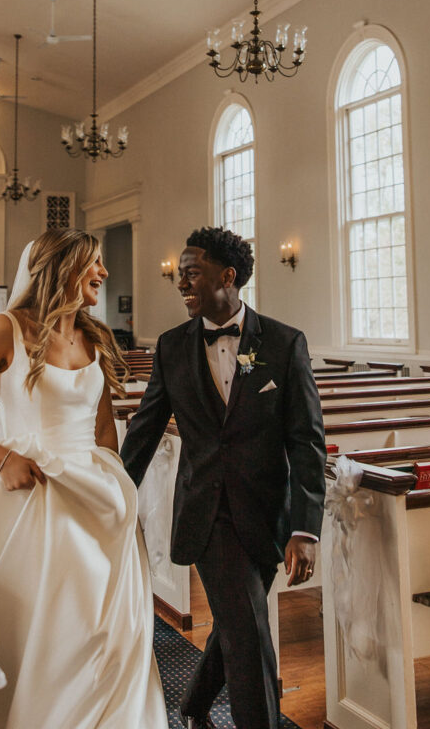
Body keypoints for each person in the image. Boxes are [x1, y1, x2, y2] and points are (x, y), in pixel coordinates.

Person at [0, 229, 168, 729]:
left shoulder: (94, 337)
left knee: (110, 629)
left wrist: (117, 497)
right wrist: (1, 458)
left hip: (96, 499)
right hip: (32, 494)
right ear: (62, 267)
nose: (103, 273)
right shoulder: (6, 330)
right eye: (94, 264)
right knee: (52, 625)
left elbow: (104, 430)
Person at [121, 227, 326, 729]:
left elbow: (305, 440)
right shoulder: (171, 348)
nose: (180, 283)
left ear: (228, 276)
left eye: (191, 273)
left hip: (267, 515)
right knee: (250, 632)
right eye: (181, 275)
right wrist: (113, 496)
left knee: (238, 621)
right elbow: (145, 432)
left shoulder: (283, 343)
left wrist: (305, 527)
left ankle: (193, 707)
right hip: (206, 512)